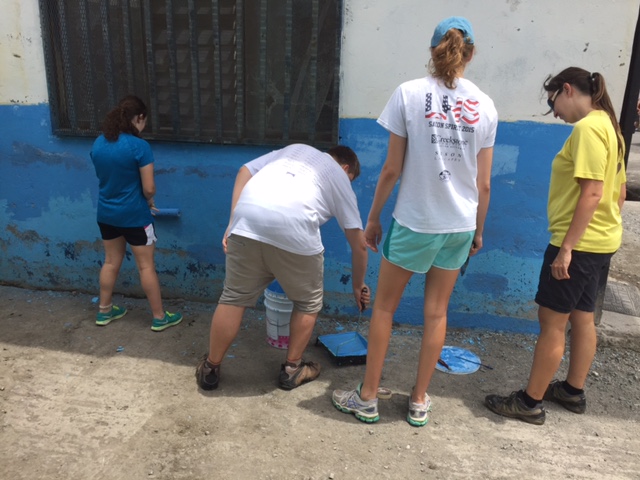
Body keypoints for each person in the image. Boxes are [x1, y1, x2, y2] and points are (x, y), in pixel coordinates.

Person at [332, 17, 497, 426]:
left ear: (433, 51)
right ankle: (419, 400)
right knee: (436, 314)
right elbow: (484, 183)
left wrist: (373, 218)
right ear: (470, 54)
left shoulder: (408, 94)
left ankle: (368, 397)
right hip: (459, 225)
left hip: (416, 221)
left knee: (384, 308)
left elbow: (391, 169)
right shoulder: (486, 106)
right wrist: (478, 231)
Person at [485, 67, 627, 425]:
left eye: (553, 104)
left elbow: (592, 193)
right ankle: (571, 391)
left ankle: (529, 402)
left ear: (567, 90)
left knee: (552, 322)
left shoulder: (588, 129)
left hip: (578, 245)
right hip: (601, 241)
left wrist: (567, 248)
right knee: (582, 316)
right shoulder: (611, 126)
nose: (555, 113)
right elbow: (620, 193)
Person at [195, 143, 370, 391]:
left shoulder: (294, 149)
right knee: (308, 303)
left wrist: (233, 220)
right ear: (345, 168)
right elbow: (359, 244)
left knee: (233, 297)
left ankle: (210, 367)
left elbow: (245, 170)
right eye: (350, 179)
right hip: (295, 231)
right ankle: (292, 369)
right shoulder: (338, 175)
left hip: (246, 222)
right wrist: (358, 285)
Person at [90, 95, 183, 332]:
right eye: (144, 121)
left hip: (106, 214)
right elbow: (149, 188)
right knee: (146, 266)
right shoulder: (139, 146)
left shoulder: (99, 143)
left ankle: (104, 311)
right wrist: (150, 200)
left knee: (110, 262)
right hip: (135, 216)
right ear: (139, 117)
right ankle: (159, 317)